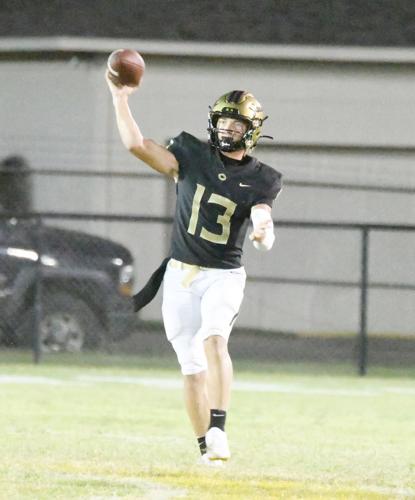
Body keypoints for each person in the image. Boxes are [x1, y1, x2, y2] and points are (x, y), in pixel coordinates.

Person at [106, 74, 283, 465]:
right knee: (191, 368)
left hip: (222, 274)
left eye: (236, 123)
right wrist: (120, 98)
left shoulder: (261, 178)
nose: (227, 129)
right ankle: (207, 449)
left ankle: (219, 425)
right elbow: (137, 144)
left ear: (251, 131)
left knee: (214, 338)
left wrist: (262, 227)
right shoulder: (190, 154)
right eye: (223, 121)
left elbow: (260, 210)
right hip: (180, 275)